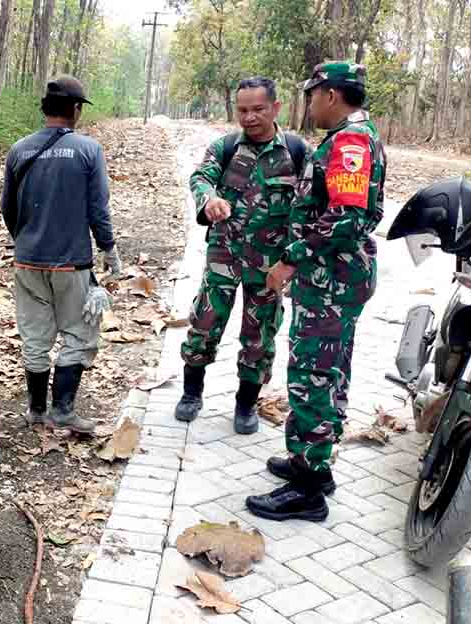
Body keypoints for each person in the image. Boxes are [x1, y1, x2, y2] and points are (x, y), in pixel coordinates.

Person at [246, 62, 386, 521]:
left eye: (312, 95)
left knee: (311, 377)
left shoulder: (349, 141)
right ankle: (314, 464)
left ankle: (308, 490)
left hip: (331, 281)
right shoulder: (350, 138)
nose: (309, 105)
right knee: (328, 371)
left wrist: (290, 260)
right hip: (334, 280)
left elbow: (347, 219)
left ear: (330, 94)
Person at [175, 77, 310, 435]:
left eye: (257, 109)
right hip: (223, 256)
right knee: (204, 325)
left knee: (259, 337)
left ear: (276, 108)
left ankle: (246, 403)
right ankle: (191, 393)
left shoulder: (296, 152)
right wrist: (209, 199)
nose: (249, 118)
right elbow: (201, 176)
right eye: (243, 110)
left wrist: (294, 259)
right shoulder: (226, 147)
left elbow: (307, 209)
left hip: (268, 266)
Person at [1, 75, 122, 434]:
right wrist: (109, 249)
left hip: (26, 261)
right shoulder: (88, 150)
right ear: (75, 110)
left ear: (45, 109)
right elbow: (98, 208)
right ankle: (64, 411)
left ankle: (37, 411)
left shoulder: (18, 149)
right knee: (80, 335)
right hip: (71, 263)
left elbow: (8, 207)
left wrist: (26, 240)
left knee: (35, 337)